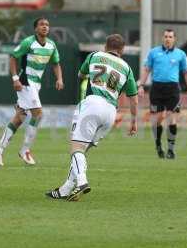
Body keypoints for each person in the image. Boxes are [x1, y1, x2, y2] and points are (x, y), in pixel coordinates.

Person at [45, 34, 138, 201]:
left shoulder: (94, 56)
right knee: (82, 152)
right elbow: (134, 98)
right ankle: (66, 188)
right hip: (110, 112)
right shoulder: (127, 68)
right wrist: (133, 122)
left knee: (76, 148)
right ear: (122, 50)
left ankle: (82, 181)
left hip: (92, 104)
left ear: (105, 46)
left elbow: (80, 75)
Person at [0, 17, 64, 166]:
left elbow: (56, 63)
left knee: (20, 118)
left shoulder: (51, 45)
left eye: (47, 25)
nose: (45, 27)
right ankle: (25, 150)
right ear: (35, 28)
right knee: (38, 114)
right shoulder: (28, 42)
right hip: (26, 82)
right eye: (42, 24)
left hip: (36, 84)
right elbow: (13, 58)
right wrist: (15, 78)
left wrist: (59, 79)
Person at [138, 29, 187, 159]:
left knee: (171, 118)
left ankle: (171, 150)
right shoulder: (153, 53)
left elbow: (186, 72)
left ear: (174, 39)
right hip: (156, 88)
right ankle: (158, 145)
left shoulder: (180, 54)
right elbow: (147, 69)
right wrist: (141, 85)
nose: (168, 39)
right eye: (166, 36)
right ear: (163, 38)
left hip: (173, 89)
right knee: (157, 119)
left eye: (170, 37)